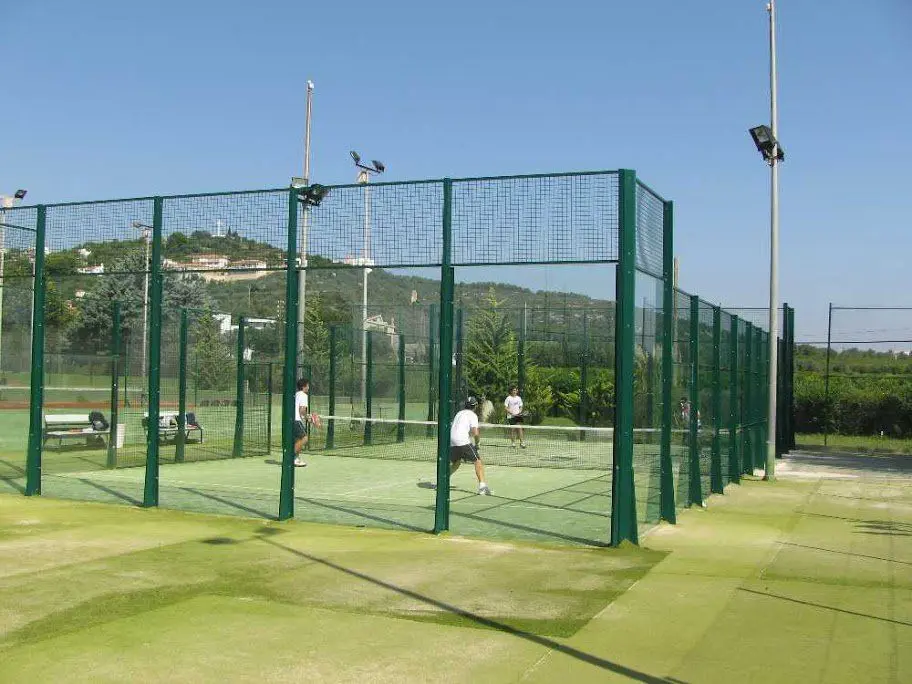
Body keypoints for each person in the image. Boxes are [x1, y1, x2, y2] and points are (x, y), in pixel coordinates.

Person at [450, 396, 491, 495]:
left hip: (451, 442)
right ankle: (482, 487)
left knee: (456, 463)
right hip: (462, 442)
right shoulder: (472, 415)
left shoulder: (458, 413)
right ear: (475, 406)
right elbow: (475, 433)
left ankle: (441, 481)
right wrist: (477, 443)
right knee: (477, 461)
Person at [293, 378, 309, 467]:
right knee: (304, 438)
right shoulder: (303, 395)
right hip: (296, 420)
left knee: (298, 440)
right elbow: (302, 410)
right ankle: (292, 457)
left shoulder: (296, 394)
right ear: (304, 386)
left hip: (292, 420)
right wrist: (308, 418)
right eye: (307, 385)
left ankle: (296, 459)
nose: (308, 387)